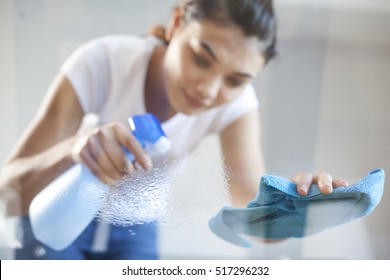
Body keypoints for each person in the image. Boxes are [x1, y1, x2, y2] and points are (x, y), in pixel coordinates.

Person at [0, 0, 349, 259]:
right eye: (201, 57)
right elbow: (7, 190)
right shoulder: (103, 62)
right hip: (62, 208)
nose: (210, 91)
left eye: (236, 80)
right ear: (176, 22)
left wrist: (299, 212)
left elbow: (252, 210)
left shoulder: (237, 104)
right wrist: (74, 149)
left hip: (136, 227)